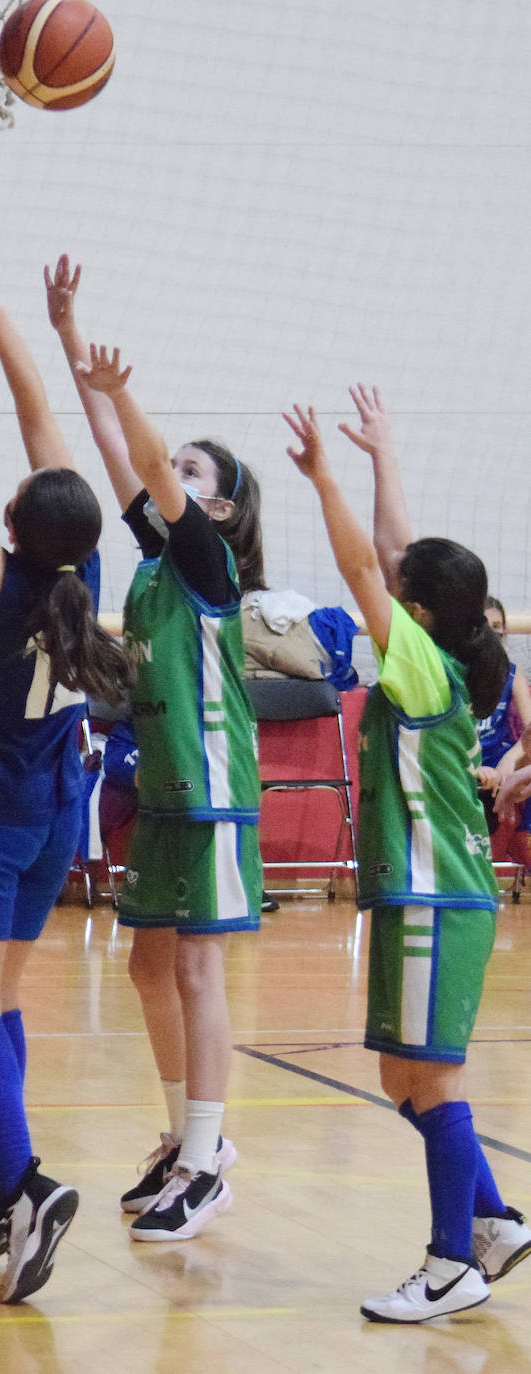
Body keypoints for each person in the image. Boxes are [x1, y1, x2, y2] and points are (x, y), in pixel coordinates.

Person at [284, 382, 531, 1323]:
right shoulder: (449, 644)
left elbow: (362, 565)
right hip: (423, 897)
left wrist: (326, 479)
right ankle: (493, 1222)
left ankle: (448, 1263)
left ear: (419, 614)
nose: (386, 591)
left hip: (436, 899)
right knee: (402, 1077)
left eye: (400, 594)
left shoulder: (419, 665)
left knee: (430, 1078)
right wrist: (385, 454)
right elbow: (393, 557)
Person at [0, 261, 132, 1303]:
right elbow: (45, 413)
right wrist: (9, 325)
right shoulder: (86, 579)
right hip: (52, 822)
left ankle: (28, 1181)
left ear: (10, 526)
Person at [48, 260, 262, 1243]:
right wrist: (71, 343)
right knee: (145, 968)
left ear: (217, 510)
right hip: (165, 785)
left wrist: (126, 394)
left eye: (190, 474)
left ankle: (211, 1159)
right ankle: (183, 1142)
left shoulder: (208, 564)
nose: (168, 479)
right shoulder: (153, 563)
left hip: (212, 786)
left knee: (196, 975)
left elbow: (140, 462)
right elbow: (118, 462)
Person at [475, 597, 531, 856]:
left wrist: (510, 760)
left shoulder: (511, 672)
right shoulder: (456, 671)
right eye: (487, 625)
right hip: (465, 759)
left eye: (498, 626)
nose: (493, 633)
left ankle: (526, 839)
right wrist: (474, 768)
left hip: (499, 756)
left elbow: (530, 731)